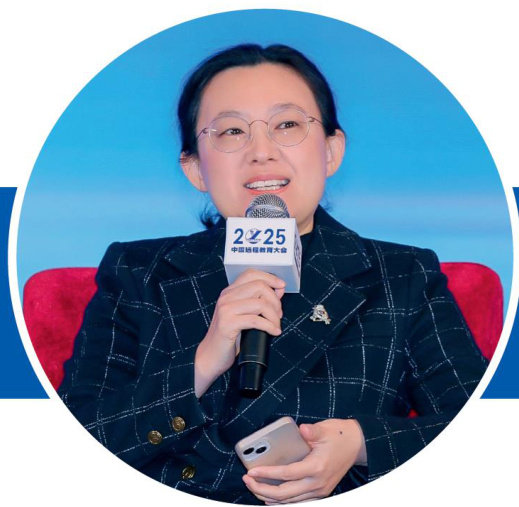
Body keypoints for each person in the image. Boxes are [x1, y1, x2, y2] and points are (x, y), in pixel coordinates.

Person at [58, 44, 488, 504]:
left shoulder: (403, 276)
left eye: (287, 125)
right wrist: (201, 364)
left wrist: (361, 443)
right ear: (195, 167)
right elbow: (71, 440)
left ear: (331, 151)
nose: (261, 152)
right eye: (231, 131)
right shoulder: (137, 272)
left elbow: (485, 436)